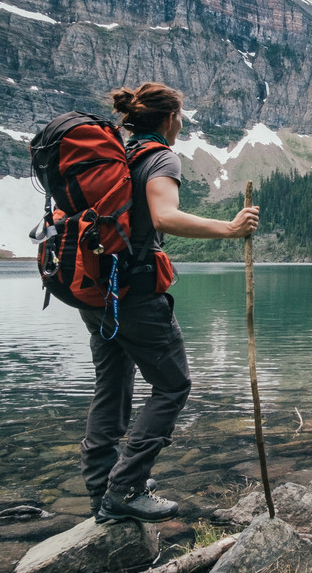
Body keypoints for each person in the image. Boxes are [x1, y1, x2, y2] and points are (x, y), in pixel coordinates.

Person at [81, 82, 260, 523]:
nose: (181, 124)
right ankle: (124, 489)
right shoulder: (160, 157)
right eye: (180, 116)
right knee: (173, 385)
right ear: (168, 118)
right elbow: (164, 216)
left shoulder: (117, 156)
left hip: (96, 291)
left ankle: (103, 486)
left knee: (112, 388)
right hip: (137, 295)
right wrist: (230, 229)